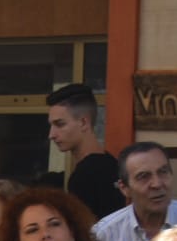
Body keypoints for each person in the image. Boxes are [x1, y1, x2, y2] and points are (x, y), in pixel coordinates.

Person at [47, 83, 124, 220]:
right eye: (51, 125)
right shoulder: (113, 164)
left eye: (60, 124)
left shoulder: (85, 175)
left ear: (83, 122)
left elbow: (84, 234)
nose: (52, 134)